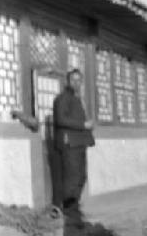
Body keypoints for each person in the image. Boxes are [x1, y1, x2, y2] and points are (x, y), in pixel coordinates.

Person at [53, 69, 95, 225]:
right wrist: (83, 124)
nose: (77, 83)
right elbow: (60, 120)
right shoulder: (62, 98)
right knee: (72, 178)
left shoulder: (77, 99)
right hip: (68, 144)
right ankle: (70, 213)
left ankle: (73, 209)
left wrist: (87, 129)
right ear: (68, 81)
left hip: (79, 143)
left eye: (79, 80)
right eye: (74, 80)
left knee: (81, 176)